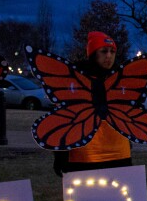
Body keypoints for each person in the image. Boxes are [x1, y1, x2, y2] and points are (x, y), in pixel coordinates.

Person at [53, 31, 132, 175]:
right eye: (104, 51)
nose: (109, 56)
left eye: (112, 51)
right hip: (85, 155)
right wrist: (60, 155)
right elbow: (62, 119)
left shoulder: (121, 79)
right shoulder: (76, 80)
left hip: (119, 152)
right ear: (93, 53)